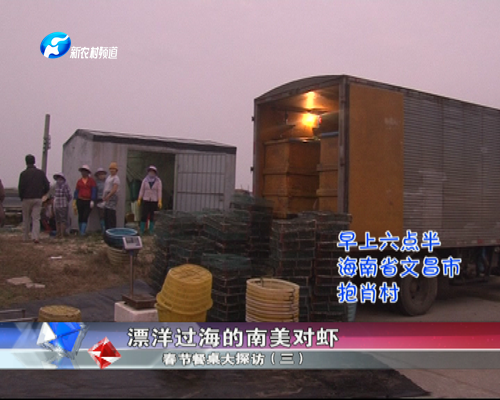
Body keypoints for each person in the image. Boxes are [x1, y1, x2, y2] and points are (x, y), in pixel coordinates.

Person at [18, 154, 50, 243]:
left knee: (26, 218)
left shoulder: (23, 174)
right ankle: (35, 237)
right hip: (37, 198)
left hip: (26, 198)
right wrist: (42, 193)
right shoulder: (40, 173)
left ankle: (25, 237)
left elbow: (21, 187)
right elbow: (47, 185)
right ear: (34, 161)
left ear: (26, 162)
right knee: (36, 218)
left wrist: (22, 197)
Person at [138, 165, 162, 235]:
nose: (151, 173)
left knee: (152, 216)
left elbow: (159, 191)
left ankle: (151, 230)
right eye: (150, 171)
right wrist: (139, 198)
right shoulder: (145, 180)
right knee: (144, 215)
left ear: (155, 173)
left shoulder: (158, 181)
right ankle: (142, 230)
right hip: (146, 200)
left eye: (152, 172)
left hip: (154, 201)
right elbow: (142, 190)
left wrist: (159, 201)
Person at [73, 165, 96, 236]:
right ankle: (81, 231)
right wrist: (74, 200)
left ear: (87, 172)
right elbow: (76, 191)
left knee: (85, 215)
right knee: (80, 215)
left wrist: (92, 200)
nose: (83, 173)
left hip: (88, 201)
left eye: (85, 171)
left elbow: (93, 191)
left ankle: (83, 231)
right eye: (82, 171)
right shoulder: (79, 181)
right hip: (80, 200)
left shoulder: (91, 181)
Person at [53, 172, 72, 239]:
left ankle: (58, 234)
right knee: (63, 219)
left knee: (57, 220)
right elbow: (68, 194)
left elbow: (54, 194)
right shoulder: (65, 184)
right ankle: (62, 234)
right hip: (63, 203)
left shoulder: (55, 185)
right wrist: (67, 200)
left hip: (56, 204)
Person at [103, 162, 120, 230]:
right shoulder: (108, 177)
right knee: (106, 213)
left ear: (116, 170)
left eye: (113, 169)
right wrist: (104, 195)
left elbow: (114, 189)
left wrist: (109, 195)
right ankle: (107, 229)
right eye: (111, 169)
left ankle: (112, 229)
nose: (112, 170)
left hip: (112, 195)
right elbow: (106, 187)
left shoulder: (116, 178)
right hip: (107, 194)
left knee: (111, 213)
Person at [94, 168, 107, 234]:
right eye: (100, 174)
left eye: (102, 174)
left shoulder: (108, 181)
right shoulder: (96, 183)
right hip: (99, 200)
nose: (101, 175)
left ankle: (108, 229)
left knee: (107, 215)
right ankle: (103, 229)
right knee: (101, 215)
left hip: (107, 200)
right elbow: (94, 192)